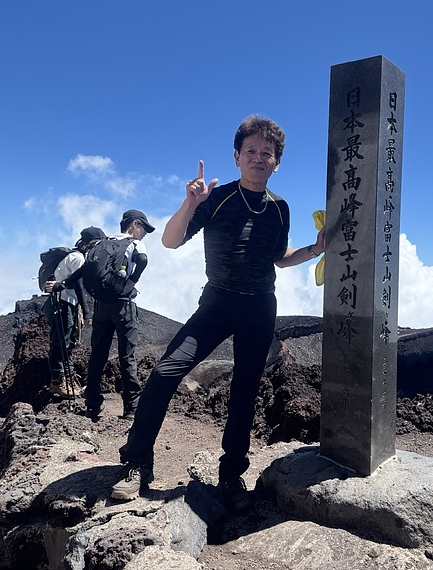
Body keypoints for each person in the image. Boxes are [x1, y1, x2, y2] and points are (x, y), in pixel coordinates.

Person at [111, 115, 325, 511]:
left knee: (244, 392)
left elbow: (278, 258)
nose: (259, 158)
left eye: (267, 153)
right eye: (251, 152)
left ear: (277, 162)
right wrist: (190, 202)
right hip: (217, 303)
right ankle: (137, 462)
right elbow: (172, 241)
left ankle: (232, 475)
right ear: (237, 157)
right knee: (163, 373)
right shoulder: (218, 198)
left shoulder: (280, 209)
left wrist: (314, 249)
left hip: (260, 306)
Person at [84, 210, 155, 420]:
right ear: (133, 224)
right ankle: (131, 408)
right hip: (124, 306)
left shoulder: (104, 243)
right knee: (127, 356)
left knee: (97, 356)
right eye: (143, 228)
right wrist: (132, 282)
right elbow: (142, 259)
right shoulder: (134, 243)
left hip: (101, 306)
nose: (144, 233)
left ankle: (92, 405)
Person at [43, 226, 105, 397]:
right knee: (60, 342)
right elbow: (77, 286)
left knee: (67, 342)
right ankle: (57, 382)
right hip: (62, 303)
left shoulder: (78, 256)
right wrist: (86, 312)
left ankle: (67, 379)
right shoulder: (77, 258)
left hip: (66, 303)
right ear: (90, 243)